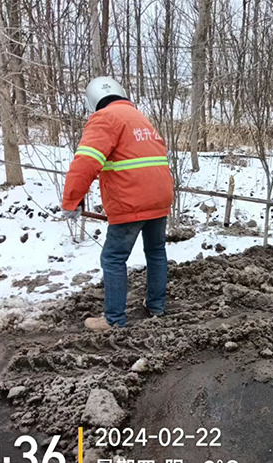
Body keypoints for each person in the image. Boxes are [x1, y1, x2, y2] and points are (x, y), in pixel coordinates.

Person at [61, 76, 174, 331]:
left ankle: (113, 320)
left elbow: (86, 162)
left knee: (113, 258)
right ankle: (156, 306)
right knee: (155, 251)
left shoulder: (104, 118)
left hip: (131, 199)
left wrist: (71, 200)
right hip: (159, 196)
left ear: (94, 101)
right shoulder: (140, 118)